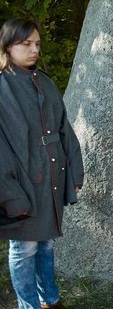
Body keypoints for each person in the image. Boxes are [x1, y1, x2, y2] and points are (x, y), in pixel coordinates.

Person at [0, 19, 84, 309]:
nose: (34, 49)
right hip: (18, 181)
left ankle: (50, 299)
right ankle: (29, 305)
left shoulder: (44, 81)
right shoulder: (1, 85)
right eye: (26, 44)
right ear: (8, 46)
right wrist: (9, 191)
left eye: (37, 43)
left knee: (46, 242)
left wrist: (74, 170)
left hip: (50, 177)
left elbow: (65, 130)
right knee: (24, 247)